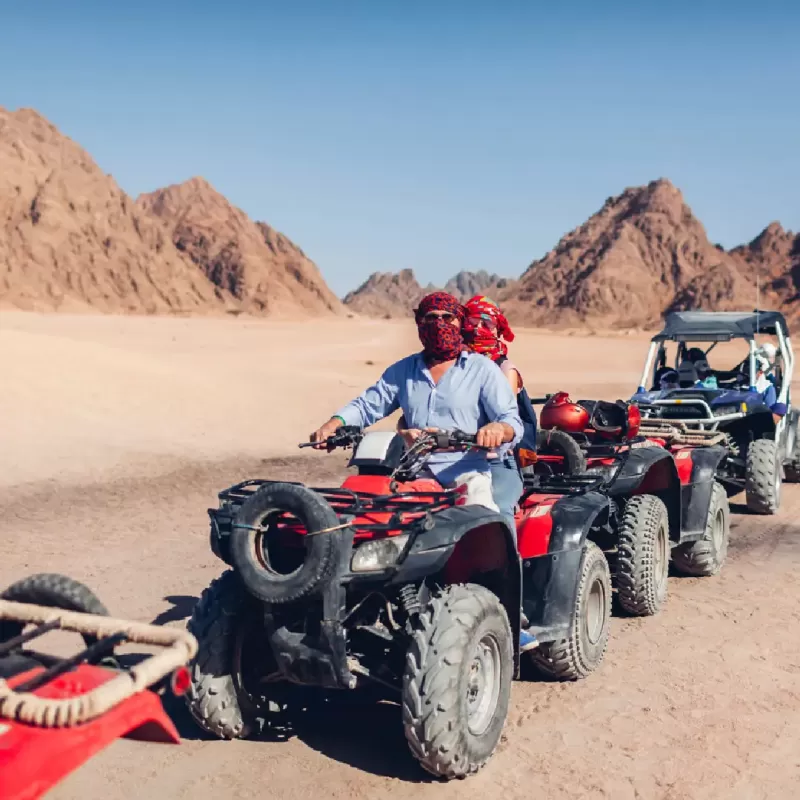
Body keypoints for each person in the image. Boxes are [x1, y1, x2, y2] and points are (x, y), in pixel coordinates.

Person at [310, 291, 537, 652]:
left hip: (466, 472)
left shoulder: (482, 370)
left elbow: (511, 420)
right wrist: (335, 423)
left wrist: (499, 430)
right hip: (413, 472)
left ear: (459, 322)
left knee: (489, 529)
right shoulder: (404, 371)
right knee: (366, 519)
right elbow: (369, 404)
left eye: (446, 318)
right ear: (418, 323)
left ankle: (506, 615)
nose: (438, 326)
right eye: (429, 318)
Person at [460, 295, 533, 517]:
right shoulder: (454, 365)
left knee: (496, 510)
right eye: (472, 323)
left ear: (497, 329)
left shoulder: (505, 370)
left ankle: (509, 553)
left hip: (497, 459)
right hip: (452, 454)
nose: (478, 329)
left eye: (486, 324)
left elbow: (505, 416)